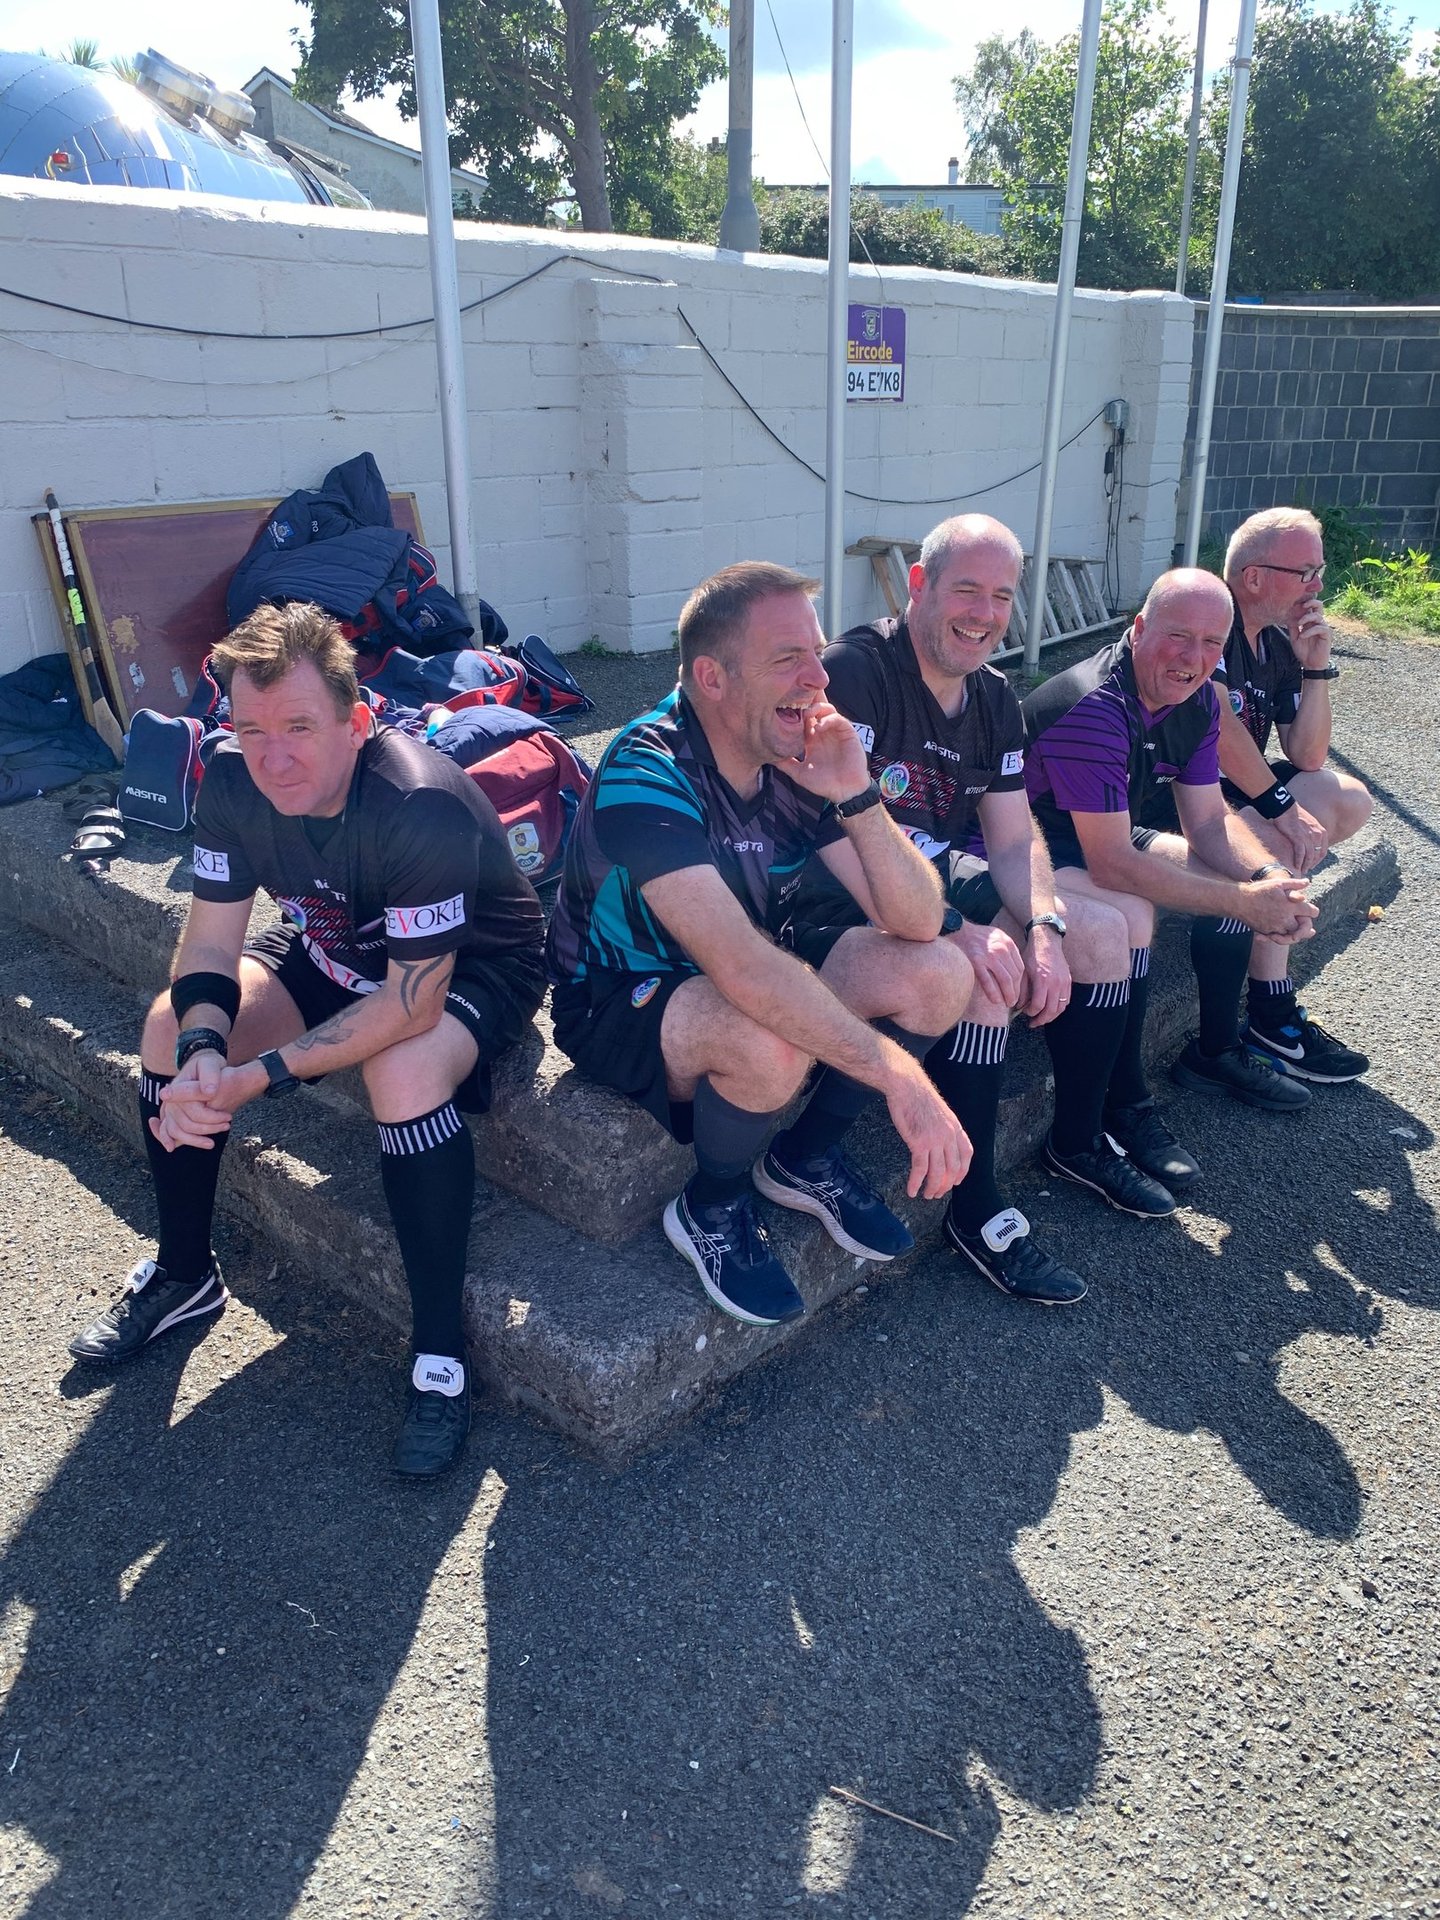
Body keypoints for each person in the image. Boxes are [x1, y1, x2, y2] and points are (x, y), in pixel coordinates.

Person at [66, 603, 547, 1479]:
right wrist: (206, 1050)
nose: (272, 756)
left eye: (298, 728)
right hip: (335, 942)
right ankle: (184, 1275)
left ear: (355, 724)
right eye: (252, 729)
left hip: (469, 965)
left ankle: (441, 1356)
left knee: (402, 1068)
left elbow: (411, 1002)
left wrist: (260, 1075)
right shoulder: (231, 778)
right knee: (170, 1025)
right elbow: (209, 945)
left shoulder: (416, 800)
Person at [546, 562, 973, 1327]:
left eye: (817, 653)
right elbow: (742, 970)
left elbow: (916, 919)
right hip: (619, 995)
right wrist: (899, 1075)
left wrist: (854, 793)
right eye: (788, 659)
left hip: (750, 957)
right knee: (769, 1034)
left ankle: (803, 1157)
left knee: (940, 971)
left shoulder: (791, 752)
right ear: (712, 677)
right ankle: (710, 1205)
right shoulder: (647, 768)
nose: (820, 679)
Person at [796, 514, 1193, 1310]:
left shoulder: (994, 696)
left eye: (1002, 596)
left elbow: (1014, 840)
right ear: (919, 586)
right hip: (830, 904)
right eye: (966, 590)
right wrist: (961, 929)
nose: (984, 614)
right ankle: (977, 1209)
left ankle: (1078, 1142)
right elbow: (824, 831)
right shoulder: (857, 670)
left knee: (1096, 933)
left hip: (928, 885)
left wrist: (1044, 927)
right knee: (979, 968)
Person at [1022, 568, 1319, 1119]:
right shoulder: (1094, 706)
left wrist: (1268, 879)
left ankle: (1216, 1051)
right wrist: (1243, 903)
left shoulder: (1199, 697)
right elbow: (1112, 865)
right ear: (1139, 629)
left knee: (1242, 875)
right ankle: (1125, 1099)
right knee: (1141, 909)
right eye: (1178, 635)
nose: (1192, 657)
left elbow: (1207, 819)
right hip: (1034, 847)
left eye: (1211, 643)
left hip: (1106, 829)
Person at [1217, 507, 1373, 1081]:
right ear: (1254, 578)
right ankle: (1271, 1011)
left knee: (1346, 797)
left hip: (1235, 793)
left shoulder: (1276, 643)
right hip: (1177, 801)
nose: (1317, 586)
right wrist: (1282, 812)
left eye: (1320, 570)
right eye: (1305, 572)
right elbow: (1219, 735)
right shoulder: (1210, 621)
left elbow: (1307, 755)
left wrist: (1316, 669)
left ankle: (1264, 915)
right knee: (1285, 829)